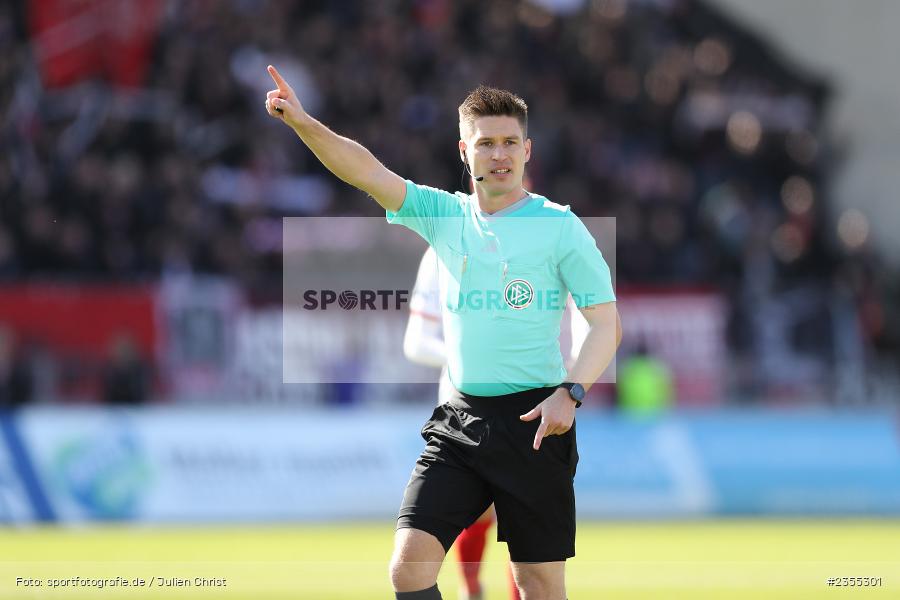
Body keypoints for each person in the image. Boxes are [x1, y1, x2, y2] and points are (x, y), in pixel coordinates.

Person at [265, 66, 622, 600]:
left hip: (535, 423)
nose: (498, 155)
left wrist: (569, 394)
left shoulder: (561, 227)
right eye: (485, 144)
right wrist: (303, 123)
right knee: (409, 567)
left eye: (509, 143)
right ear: (464, 150)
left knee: (539, 585)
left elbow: (606, 325)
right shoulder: (443, 215)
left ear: (528, 150)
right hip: (459, 422)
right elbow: (365, 171)